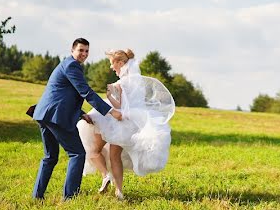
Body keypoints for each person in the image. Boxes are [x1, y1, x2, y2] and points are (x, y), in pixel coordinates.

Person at [31, 38, 122, 201]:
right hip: (56, 116)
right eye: (81, 50)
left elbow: (63, 94)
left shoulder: (67, 65)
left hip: (44, 114)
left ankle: (37, 196)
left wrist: (81, 113)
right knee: (77, 153)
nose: (84, 54)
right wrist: (110, 112)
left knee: (50, 157)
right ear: (72, 50)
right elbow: (85, 92)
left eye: (87, 51)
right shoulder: (72, 66)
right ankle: (70, 198)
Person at [77, 48, 174, 200]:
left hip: (116, 122)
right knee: (115, 157)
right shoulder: (137, 82)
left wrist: (109, 93)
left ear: (120, 63)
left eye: (112, 63)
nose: (111, 67)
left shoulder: (118, 84)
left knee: (92, 149)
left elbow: (117, 105)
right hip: (129, 125)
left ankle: (106, 175)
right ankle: (119, 192)